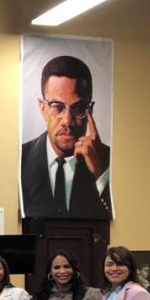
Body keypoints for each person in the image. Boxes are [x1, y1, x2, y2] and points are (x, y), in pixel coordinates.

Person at [21, 55, 112, 219]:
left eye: (78, 108)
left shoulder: (109, 162)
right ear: (43, 109)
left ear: (90, 110)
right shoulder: (19, 159)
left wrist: (103, 177)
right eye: (58, 107)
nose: (67, 121)